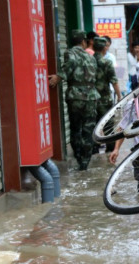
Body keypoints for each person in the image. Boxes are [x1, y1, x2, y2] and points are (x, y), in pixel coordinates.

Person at [49, 30, 100, 171]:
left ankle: (79, 158)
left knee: (76, 128)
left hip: (75, 97)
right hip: (91, 96)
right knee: (88, 129)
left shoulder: (70, 53)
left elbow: (70, 63)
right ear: (83, 42)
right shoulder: (90, 57)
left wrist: (58, 77)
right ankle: (85, 162)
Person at [93, 37, 122, 154]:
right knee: (108, 126)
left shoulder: (88, 61)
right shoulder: (107, 62)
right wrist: (120, 96)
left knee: (93, 125)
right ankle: (110, 151)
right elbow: (114, 81)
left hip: (91, 99)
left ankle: (94, 150)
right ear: (104, 48)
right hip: (105, 98)